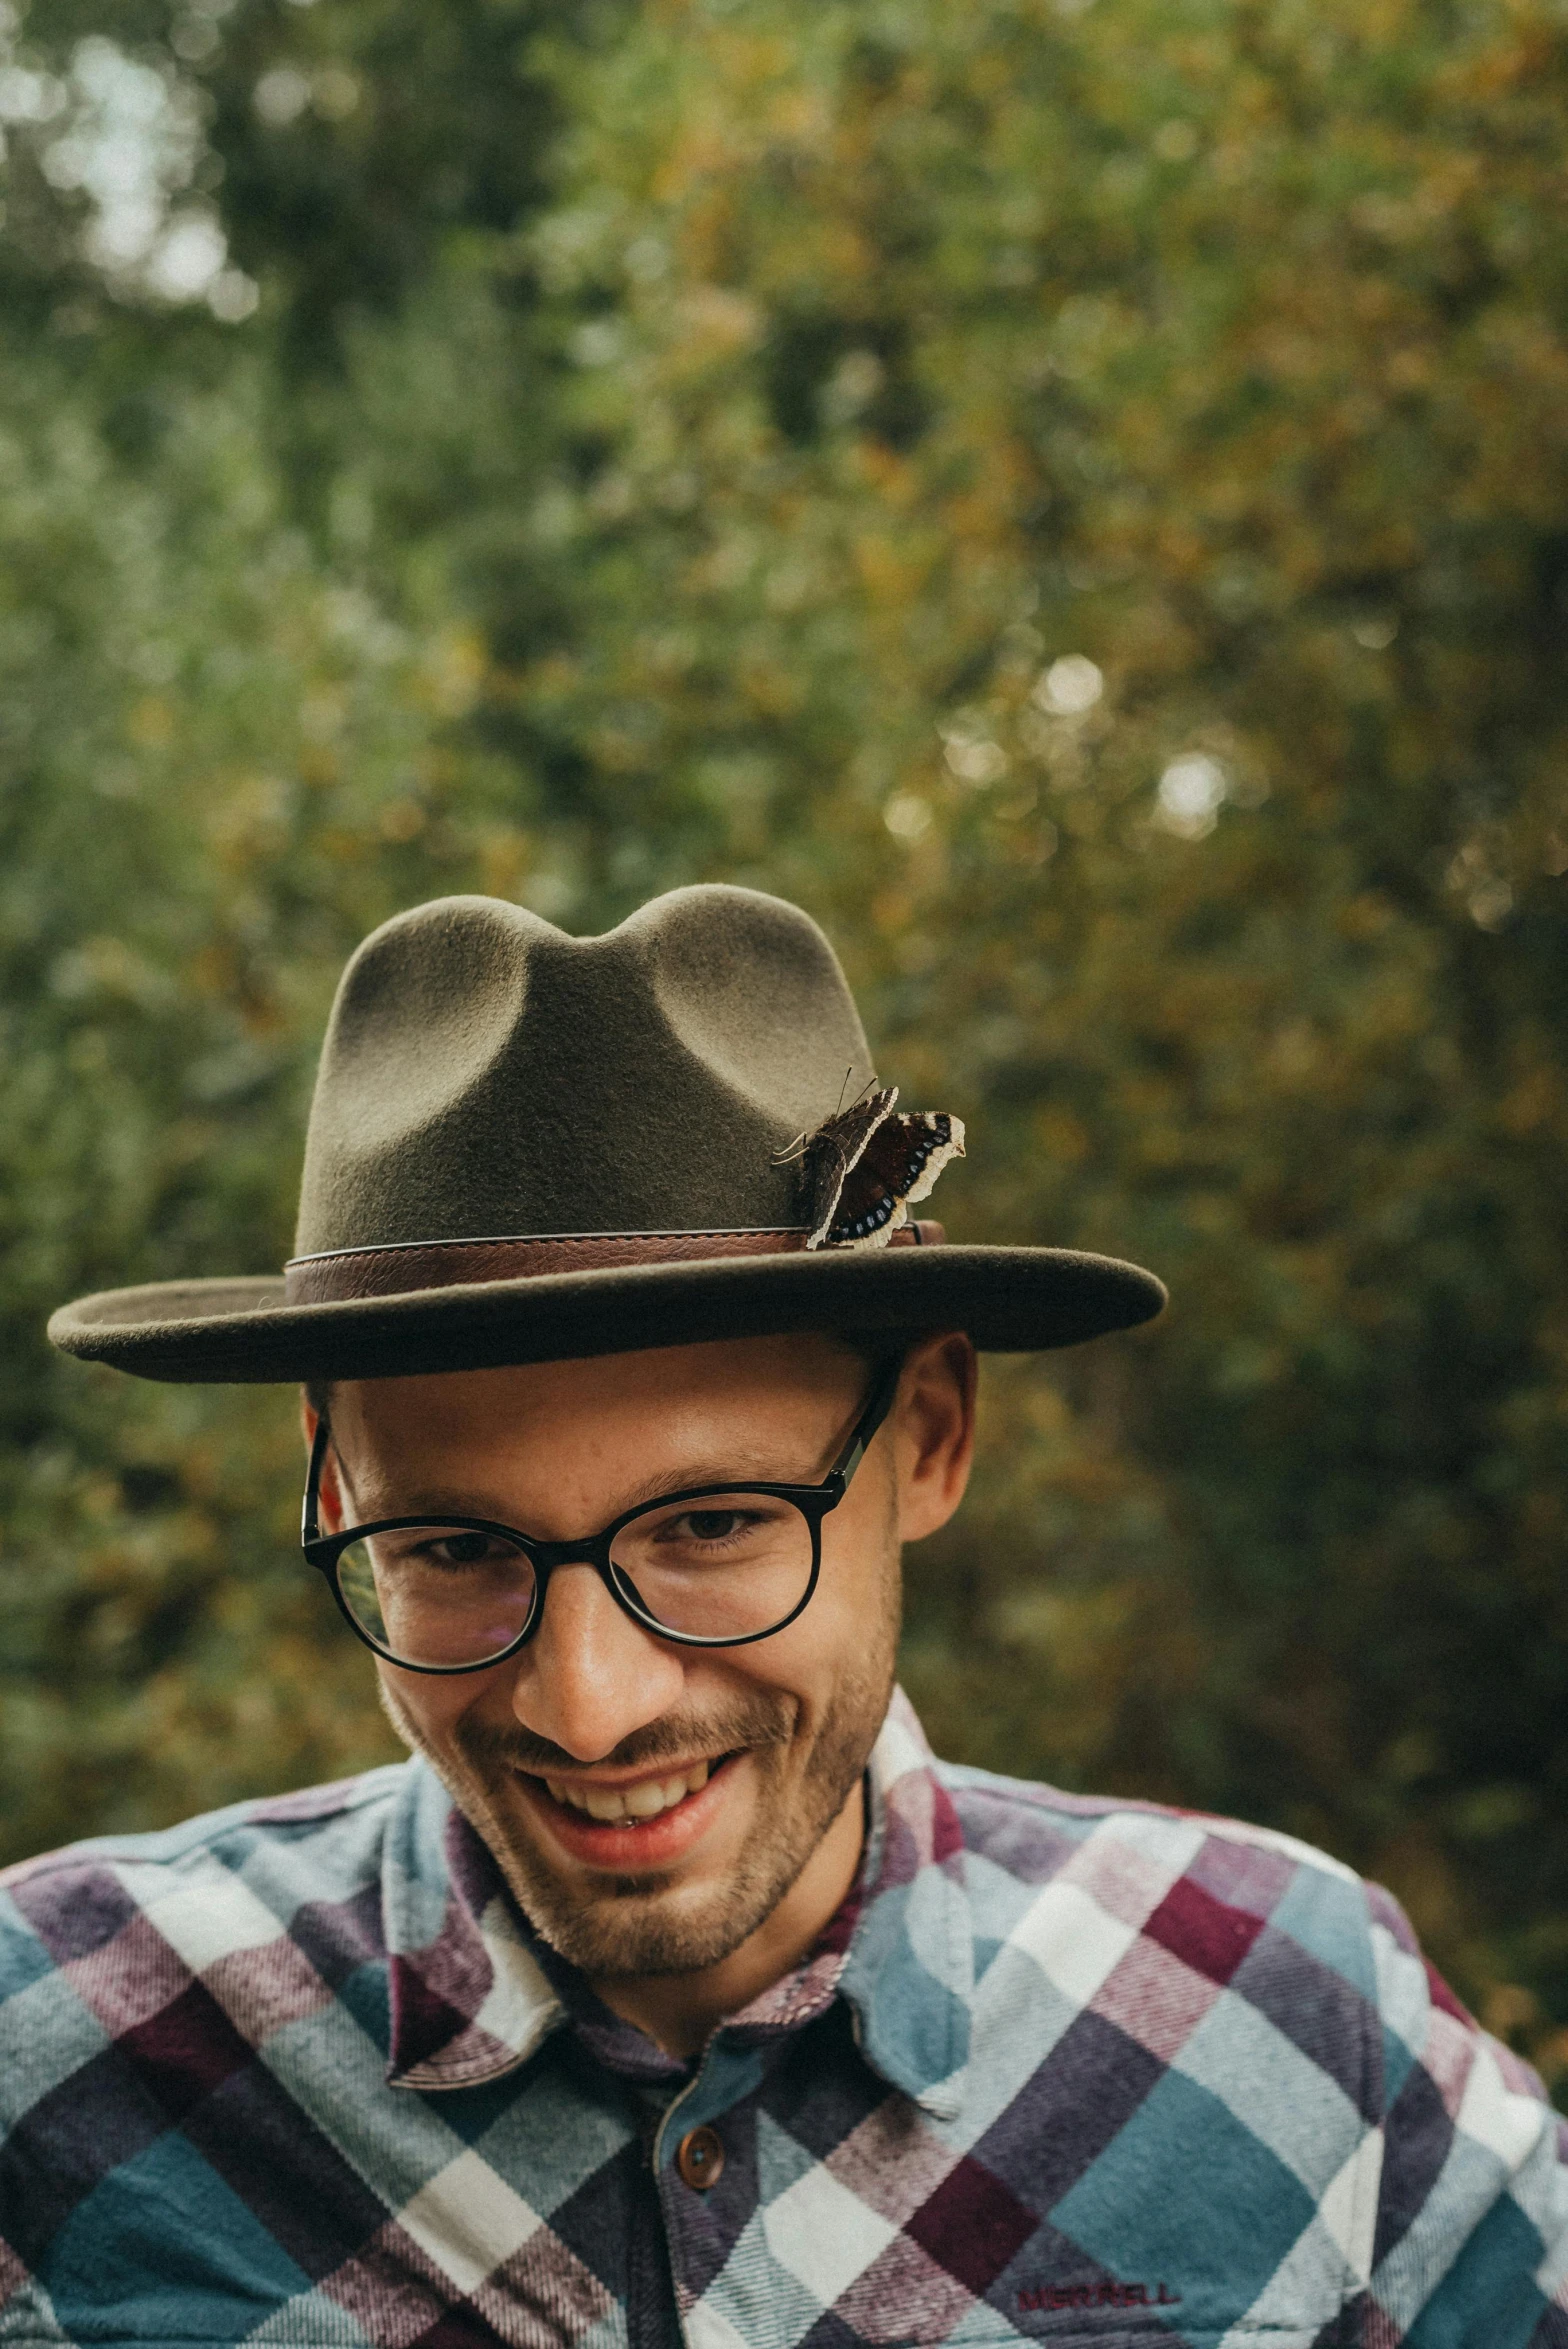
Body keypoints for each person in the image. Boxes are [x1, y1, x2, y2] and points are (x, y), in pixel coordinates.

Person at [3, 885, 1564, 2349]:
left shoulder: (1299, 2023)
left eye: (712, 1525)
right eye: (455, 1546)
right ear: (336, 1491)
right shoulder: (49, 2052)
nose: (588, 1704)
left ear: (934, 1433)